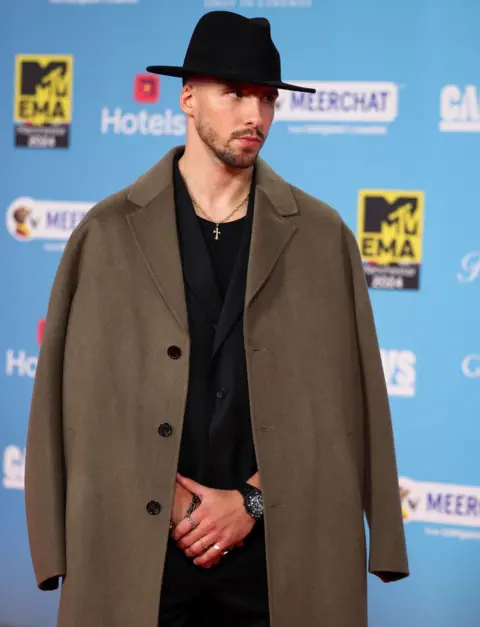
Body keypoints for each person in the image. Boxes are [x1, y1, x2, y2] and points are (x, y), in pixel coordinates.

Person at [24, 10, 409, 627]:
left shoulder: (321, 235)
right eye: (234, 94)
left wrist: (251, 502)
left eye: (266, 98)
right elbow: (66, 403)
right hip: (138, 555)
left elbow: (356, 403)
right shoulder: (105, 233)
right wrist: (68, 539)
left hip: (281, 557)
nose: (254, 116)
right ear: (187, 99)